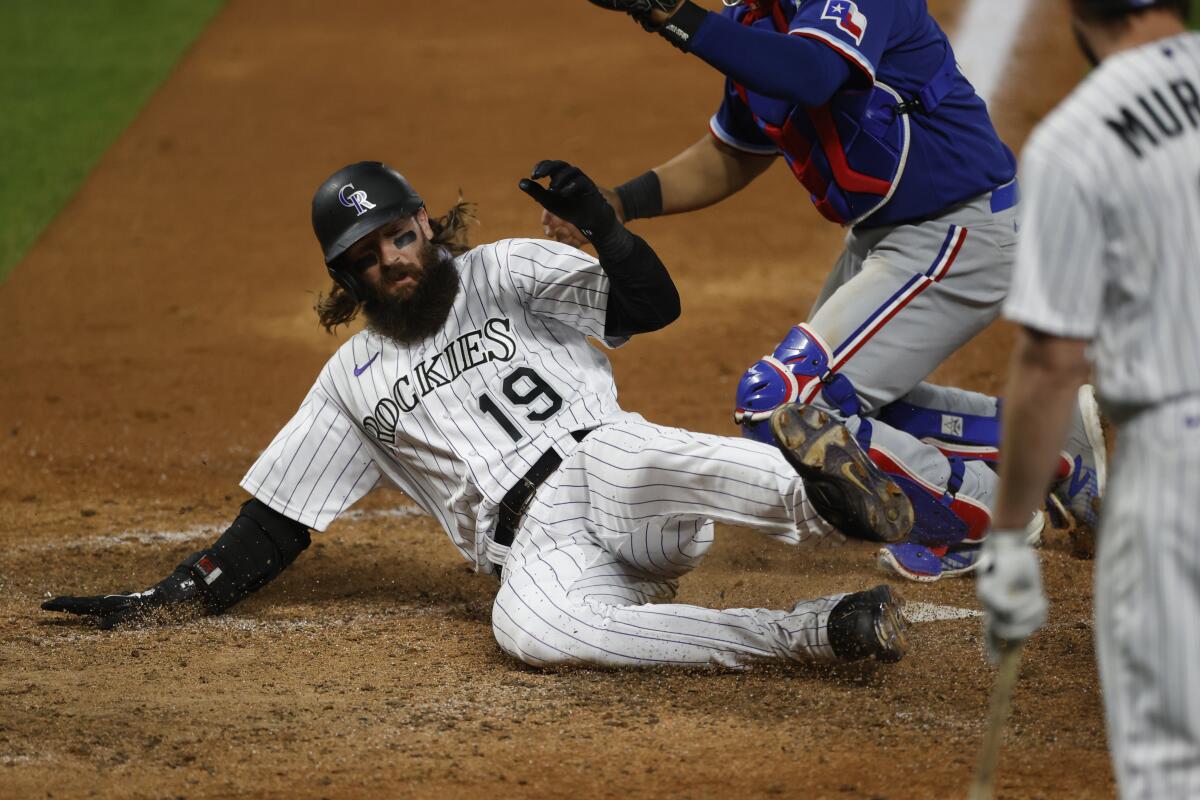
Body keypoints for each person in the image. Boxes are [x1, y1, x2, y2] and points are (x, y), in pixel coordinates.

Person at [42, 158, 916, 669]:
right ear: (346, 277)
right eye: (368, 254)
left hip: (611, 475)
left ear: (427, 223)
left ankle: (822, 497)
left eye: (401, 234)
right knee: (530, 630)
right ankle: (816, 632)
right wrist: (169, 598)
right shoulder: (350, 380)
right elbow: (272, 526)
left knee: (624, 461)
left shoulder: (501, 270)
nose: (395, 258)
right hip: (533, 548)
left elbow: (651, 307)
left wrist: (605, 230)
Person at [552, 0, 1106, 581]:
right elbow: (732, 152)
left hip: (957, 235)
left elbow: (813, 74)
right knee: (830, 414)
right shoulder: (753, 23)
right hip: (888, 237)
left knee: (785, 404)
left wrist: (679, 19)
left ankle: (987, 515)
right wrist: (620, 203)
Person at [975, 1, 1199, 796]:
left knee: (1176, 762)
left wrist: (1007, 538)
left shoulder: (1081, 135)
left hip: (1176, 469)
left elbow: (1051, 360)